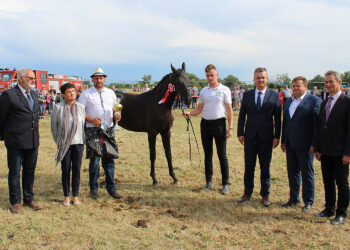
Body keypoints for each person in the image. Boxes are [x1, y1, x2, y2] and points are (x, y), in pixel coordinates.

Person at [183, 64, 233, 195]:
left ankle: (225, 183)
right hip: (205, 124)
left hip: (220, 124)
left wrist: (230, 127)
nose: (210, 78)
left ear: (217, 75)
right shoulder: (204, 91)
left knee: (222, 154)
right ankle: (208, 181)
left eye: (212, 75)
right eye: (207, 76)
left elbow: (229, 109)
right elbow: (199, 109)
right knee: (208, 154)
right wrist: (189, 113)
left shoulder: (224, 90)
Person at [237, 67, 281, 206]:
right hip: (249, 137)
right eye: (258, 77)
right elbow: (242, 115)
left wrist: (276, 136)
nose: (260, 80)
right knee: (249, 166)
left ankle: (265, 195)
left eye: (263, 77)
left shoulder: (274, 95)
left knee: (265, 167)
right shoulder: (248, 95)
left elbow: (278, 118)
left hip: (267, 138)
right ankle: (247, 193)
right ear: (254, 79)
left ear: (267, 79)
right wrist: (240, 132)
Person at [0, 68, 41, 213]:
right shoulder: (9, 95)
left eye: (34, 78)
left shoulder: (34, 94)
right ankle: (15, 202)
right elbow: (1, 118)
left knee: (30, 171)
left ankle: (29, 198)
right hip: (16, 142)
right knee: (15, 172)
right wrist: (5, 137)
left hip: (32, 141)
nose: (33, 81)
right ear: (21, 79)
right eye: (30, 78)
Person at [79, 67, 122, 200]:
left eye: (101, 78)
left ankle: (111, 189)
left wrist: (117, 116)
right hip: (93, 130)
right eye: (96, 78)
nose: (99, 80)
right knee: (94, 161)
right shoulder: (86, 94)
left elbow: (116, 108)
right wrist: (91, 120)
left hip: (108, 130)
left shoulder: (111, 93)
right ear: (92, 79)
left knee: (109, 160)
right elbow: (79, 112)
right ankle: (93, 189)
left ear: (105, 79)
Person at [280, 76, 321, 213]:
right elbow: (285, 122)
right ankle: (293, 198)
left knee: (307, 173)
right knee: (292, 173)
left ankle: (308, 201)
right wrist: (284, 140)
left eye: (298, 86)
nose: (295, 88)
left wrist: (314, 143)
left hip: (306, 145)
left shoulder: (314, 101)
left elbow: (317, 125)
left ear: (306, 87)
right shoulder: (289, 101)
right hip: (291, 144)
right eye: (294, 86)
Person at [314, 70, 350, 225]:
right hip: (326, 150)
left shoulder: (347, 102)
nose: (328, 85)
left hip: (341, 152)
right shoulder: (324, 103)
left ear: (339, 83)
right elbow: (321, 127)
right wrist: (317, 147)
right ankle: (329, 209)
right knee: (327, 181)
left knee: (341, 183)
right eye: (326, 82)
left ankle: (341, 213)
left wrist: (348, 152)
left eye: (331, 82)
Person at [51, 83, 86, 206]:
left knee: (76, 170)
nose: (72, 94)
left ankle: (75, 196)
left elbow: (83, 124)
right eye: (69, 92)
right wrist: (60, 142)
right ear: (63, 95)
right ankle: (66, 196)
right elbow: (54, 128)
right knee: (65, 170)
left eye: (73, 91)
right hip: (64, 144)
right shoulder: (58, 107)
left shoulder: (81, 107)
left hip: (78, 143)